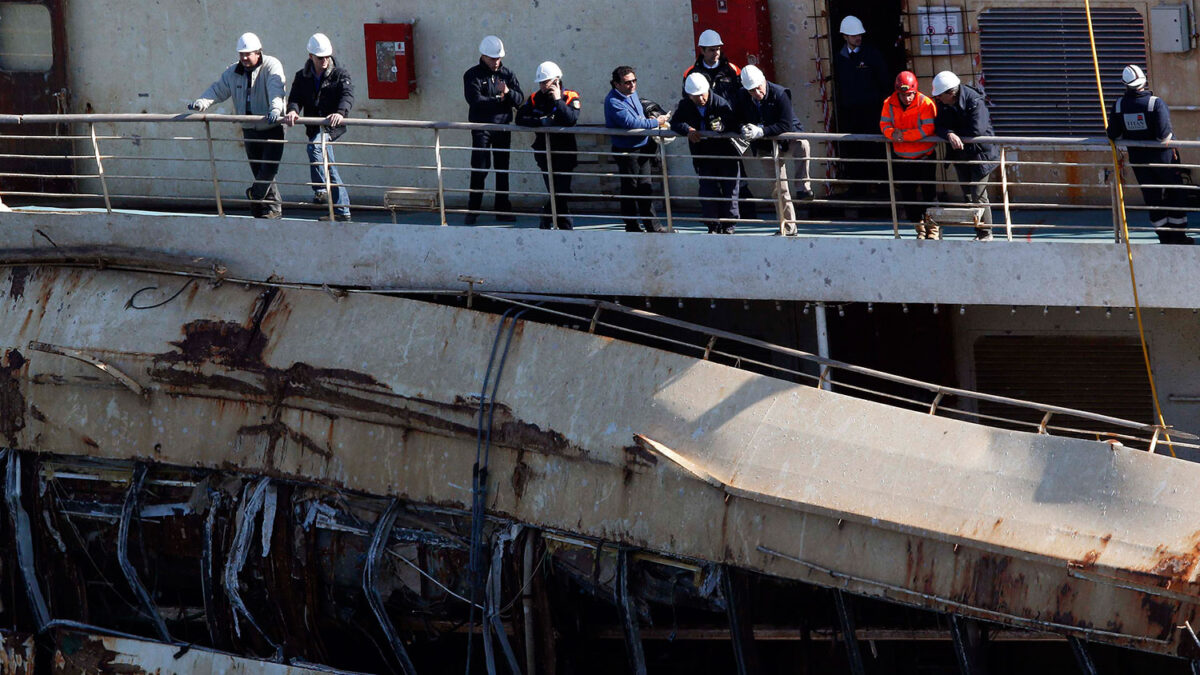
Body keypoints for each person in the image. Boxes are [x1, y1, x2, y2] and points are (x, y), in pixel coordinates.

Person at [190, 32, 286, 219]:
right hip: (249, 128)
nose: (243, 58)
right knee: (259, 171)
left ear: (258, 52)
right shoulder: (233, 72)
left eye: (247, 54)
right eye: (241, 54)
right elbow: (218, 89)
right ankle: (269, 209)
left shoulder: (271, 65)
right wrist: (201, 102)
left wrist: (276, 109)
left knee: (268, 169)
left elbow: (277, 87)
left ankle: (255, 197)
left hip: (272, 126)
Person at [1106, 64, 1193, 245]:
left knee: (1153, 198)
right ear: (1144, 81)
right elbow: (1164, 135)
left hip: (1140, 162)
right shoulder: (1155, 103)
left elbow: (1113, 134)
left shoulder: (1119, 106)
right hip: (1164, 161)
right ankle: (1178, 237)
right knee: (1175, 195)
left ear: (1125, 84)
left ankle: (1164, 238)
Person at [735, 65, 813, 236]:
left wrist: (762, 131)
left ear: (764, 81)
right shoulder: (742, 96)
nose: (756, 93)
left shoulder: (780, 93)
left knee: (803, 144)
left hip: (786, 137)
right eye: (752, 90)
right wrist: (744, 128)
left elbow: (786, 124)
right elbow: (736, 118)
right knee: (779, 188)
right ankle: (788, 227)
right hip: (766, 147)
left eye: (758, 88)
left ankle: (803, 186)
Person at [283, 33, 354, 222]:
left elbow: (347, 95)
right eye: (320, 57)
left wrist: (340, 112)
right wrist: (292, 110)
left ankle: (321, 190)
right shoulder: (302, 76)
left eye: (327, 57)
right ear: (310, 57)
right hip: (314, 126)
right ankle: (342, 211)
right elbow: (295, 98)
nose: (324, 60)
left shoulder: (340, 74)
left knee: (315, 148)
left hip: (331, 127)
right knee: (329, 166)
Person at [672, 73, 744, 234]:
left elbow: (733, 122)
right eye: (696, 97)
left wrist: (722, 127)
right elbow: (675, 122)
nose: (701, 99)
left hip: (726, 154)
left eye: (703, 95)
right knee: (707, 189)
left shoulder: (720, 103)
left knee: (730, 190)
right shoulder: (685, 105)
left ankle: (729, 225)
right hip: (703, 155)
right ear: (690, 95)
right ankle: (712, 224)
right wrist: (688, 129)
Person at [932, 70, 999, 241]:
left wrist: (954, 134)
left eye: (940, 96)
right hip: (960, 155)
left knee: (978, 194)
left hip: (981, 155)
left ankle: (986, 234)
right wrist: (948, 134)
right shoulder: (943, 102)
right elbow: (938, 125)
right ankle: (979, 232)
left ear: (950, 93)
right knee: (968, 196)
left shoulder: (974, 100)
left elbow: (977, 129)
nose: (937, 99)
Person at [463, 35, 523, 224]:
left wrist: (507, 93)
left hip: (503, 128)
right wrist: (499, 100)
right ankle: (473, 210)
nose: (496, 62)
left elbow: (520, 100)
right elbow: (475, 101)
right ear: (483, 56)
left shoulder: (507, 75)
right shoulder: (472, 75)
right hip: (482, 128)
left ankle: (502, 209)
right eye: (492, 58)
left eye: (498, 58)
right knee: (480, 168)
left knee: (502, 170)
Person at [605, 65, 672, 233]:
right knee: (630, 189)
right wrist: (656, 122)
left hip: (642, 148)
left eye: (634, 81)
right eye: (627, 82)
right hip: (627, 151)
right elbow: (630, 123)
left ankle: (652, 226)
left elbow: (638, 116)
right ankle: (632, 225)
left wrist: (648, 118)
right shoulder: (613, 101)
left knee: (645, 187)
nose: (632, 85)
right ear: (616, 84)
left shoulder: (630, 94)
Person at [516, 61, 580, 230]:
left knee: (562, 191)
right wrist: (541, 122)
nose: (543, 86)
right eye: (541, 82)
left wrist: (558, 100)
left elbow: (570, 120)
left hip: (565, 152)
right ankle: (564, 225)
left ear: (557, 81)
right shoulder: (534, 99)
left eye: (547, 82)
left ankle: (548, 216)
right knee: (554, 190)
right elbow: (520, 119)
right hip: (544, 152)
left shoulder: (570, 96)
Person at [832, 15, 891, 197]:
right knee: (854, 150)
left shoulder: (872, 54)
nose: (858, 38)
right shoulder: (840, 58)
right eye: (853, 35)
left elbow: (884, 81)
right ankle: (858, 188)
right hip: (851, 112)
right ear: (845, 36)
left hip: (872, 111)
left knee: (876, 149)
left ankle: (882, 188)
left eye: (859, 34)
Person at [880, 71, 939, 239]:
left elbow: (928, 128)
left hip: (925, 157)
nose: (907, 98)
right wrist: (891, 133)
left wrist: (903, 136)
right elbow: (884, 124)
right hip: (902, 158)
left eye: (910, 94)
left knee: (930, 193)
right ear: (898, 92)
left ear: (915, 91)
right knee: (908, 195)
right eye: (903, 95)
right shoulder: (888, 104)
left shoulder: (925, 103)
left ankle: (933, 229)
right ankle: (920, 228)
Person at [683, 30, 741, 103]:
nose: (716, 53)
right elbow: (687, 98)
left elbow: (742, 95)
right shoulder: (691, 73)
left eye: (718, 49)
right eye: (712, 50)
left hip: (729, 113)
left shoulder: (733, 70)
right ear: (702, 50)